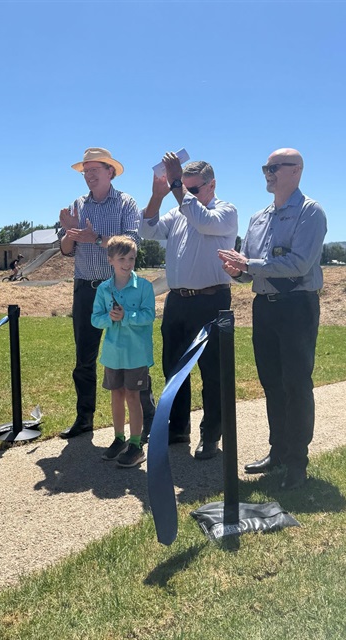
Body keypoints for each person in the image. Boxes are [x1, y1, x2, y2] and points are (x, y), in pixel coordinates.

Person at [218, 148, 327, 490]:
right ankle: (277, 452)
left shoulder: (310, 212)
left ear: (296, 171)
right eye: (264, 167)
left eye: (273, 167)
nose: (267, 173)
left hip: (297, 307)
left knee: (296, 384)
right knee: (271, 383)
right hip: (265, 307)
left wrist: (248, 264)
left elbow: (299, 264)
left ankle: (297, 462)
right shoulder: (259, 218)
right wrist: (237, 271)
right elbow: (250, 270)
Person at [139, 153, 238, 459]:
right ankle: (178, 428)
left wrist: (178, 185)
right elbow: (148, 231)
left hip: (212, 300)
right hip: (178, 300)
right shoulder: (179, 210)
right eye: (184, 188)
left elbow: (202, 220)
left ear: (212, 185)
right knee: (174, 369)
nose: (187, 193)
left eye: (194, 189)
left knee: (213, 373)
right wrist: (157, 197)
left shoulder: (225, 211)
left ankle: (211, 436)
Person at [57, 147, 155, 438]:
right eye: (85, 171)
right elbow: (66, 251)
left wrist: (95, 237)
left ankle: (147, 418)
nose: (88, 175)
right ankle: (84, 418)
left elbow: (133, 243)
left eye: (94, 170)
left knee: (132, 357)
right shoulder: (78, 204)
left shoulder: (126, 203)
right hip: (86, 289)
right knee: (84, 360)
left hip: (120, 290)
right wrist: (68, 234)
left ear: (110, 172)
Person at [91, 236, 155, 467]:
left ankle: (136, 445)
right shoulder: (103, 289)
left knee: (132, 396)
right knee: (116, 394)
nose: (127, 263)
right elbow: (95, 319)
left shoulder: (145, 287)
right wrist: (109, 318)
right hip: (112, 353)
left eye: (131, 258)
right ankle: (119, 439)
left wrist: (127, 316)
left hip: (136, 354)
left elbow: (149, 315)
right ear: (110, 260)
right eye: (122, 259)